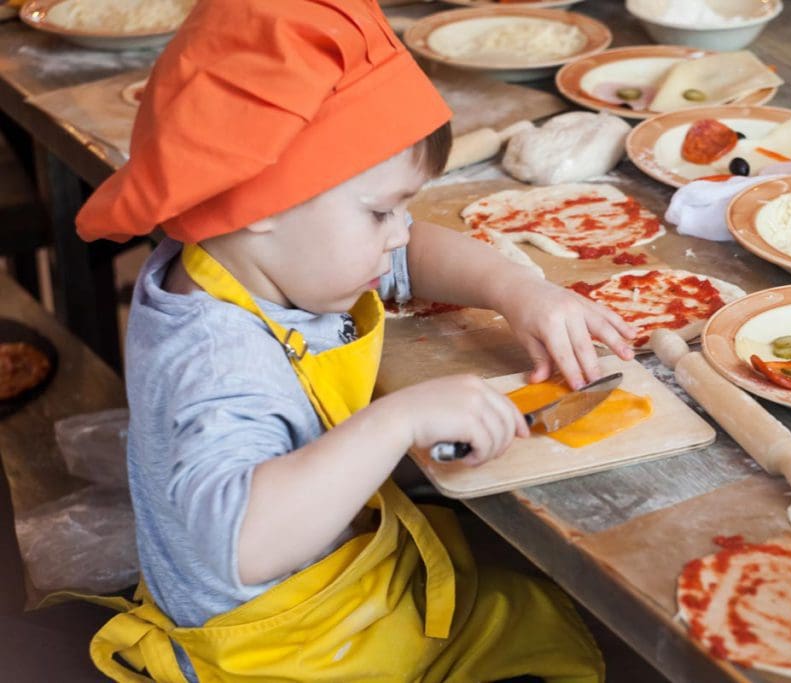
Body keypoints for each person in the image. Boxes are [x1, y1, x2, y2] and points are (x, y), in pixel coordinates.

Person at [74, 1, 638, 681]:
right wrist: (400, 417)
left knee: (540, 617)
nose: (401, 231)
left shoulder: (258, 256)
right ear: (261, 204)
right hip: (282, 651)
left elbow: (411, 254)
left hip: (335, 591)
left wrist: (520, 291)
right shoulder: (215, 356)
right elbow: (241, 542)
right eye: (380, 211)